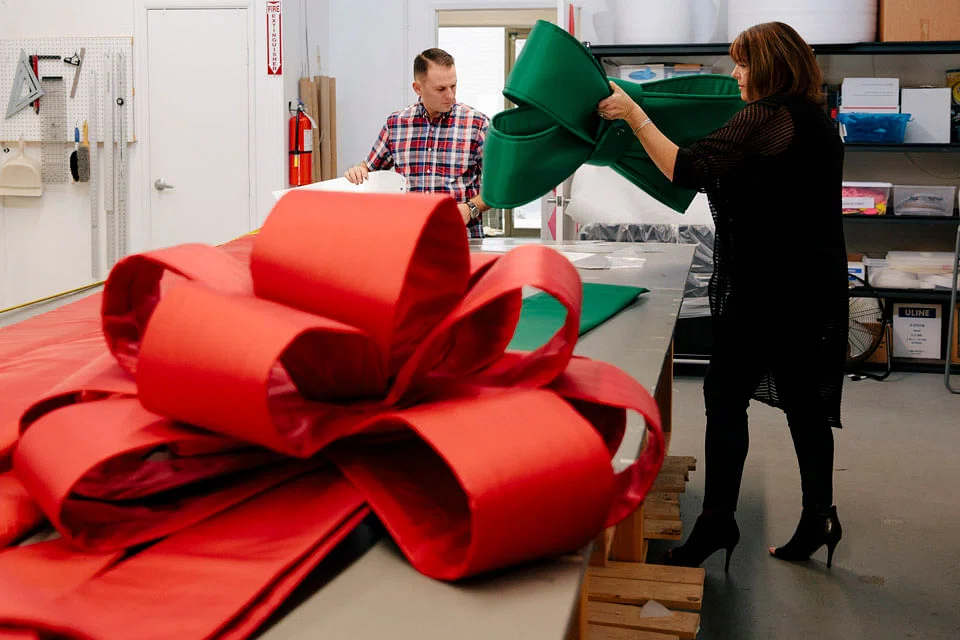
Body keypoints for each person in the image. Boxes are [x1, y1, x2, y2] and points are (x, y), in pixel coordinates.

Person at [597, 22, 847, 570]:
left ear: (770, 66)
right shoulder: (816, 119)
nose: (735, 74)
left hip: (767, 291)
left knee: (726, 397)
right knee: (803, 405)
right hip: (811, 286)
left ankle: (718, 522)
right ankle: (818, 517)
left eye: (743, 63)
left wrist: (635, 115)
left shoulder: (767, 116)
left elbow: (684, 168)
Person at [344, 48, 491, 238]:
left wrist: (470, 208)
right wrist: (358, 171)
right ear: (418, 88)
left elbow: (500, 186)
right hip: (409, 240)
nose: (450, 95)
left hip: (460, 240)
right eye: (441, 89)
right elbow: (368, 169)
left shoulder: (477, 125)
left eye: (453, 86)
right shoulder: (396, 124)